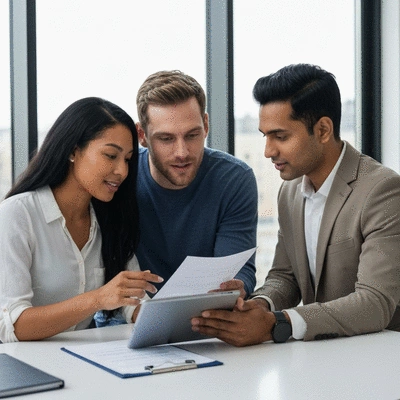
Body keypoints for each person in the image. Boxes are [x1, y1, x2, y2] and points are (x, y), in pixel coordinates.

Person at [191, 63, 400, 345]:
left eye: (281, 136)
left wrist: (279, 323)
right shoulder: (290, 192)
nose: (268, 151)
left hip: (377, 358)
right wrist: (261, 304)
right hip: (318, 357)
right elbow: (284, 277)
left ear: (323, 130)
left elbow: (375, 303)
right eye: (265, 136)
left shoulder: (382, 190)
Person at [0, 97, 163, 343]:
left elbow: (133, 302)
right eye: (111, 155)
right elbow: (14, 326)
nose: (122, 171)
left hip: (80, 363)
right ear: (73, 151)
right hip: (23, 369)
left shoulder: (110, 218)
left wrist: (187, 315)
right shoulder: (16, 214)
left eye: (128, 159)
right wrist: (98, 298)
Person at [134, 70, 258, 302]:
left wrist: (237, 286)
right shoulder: (122, 179)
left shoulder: (234, 179)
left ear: (206, 125)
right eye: (166, 139)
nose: (182, 153)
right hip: (130, 318)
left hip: (208, 315)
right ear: (142, 135)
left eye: (192, 135)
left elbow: (239, 269)